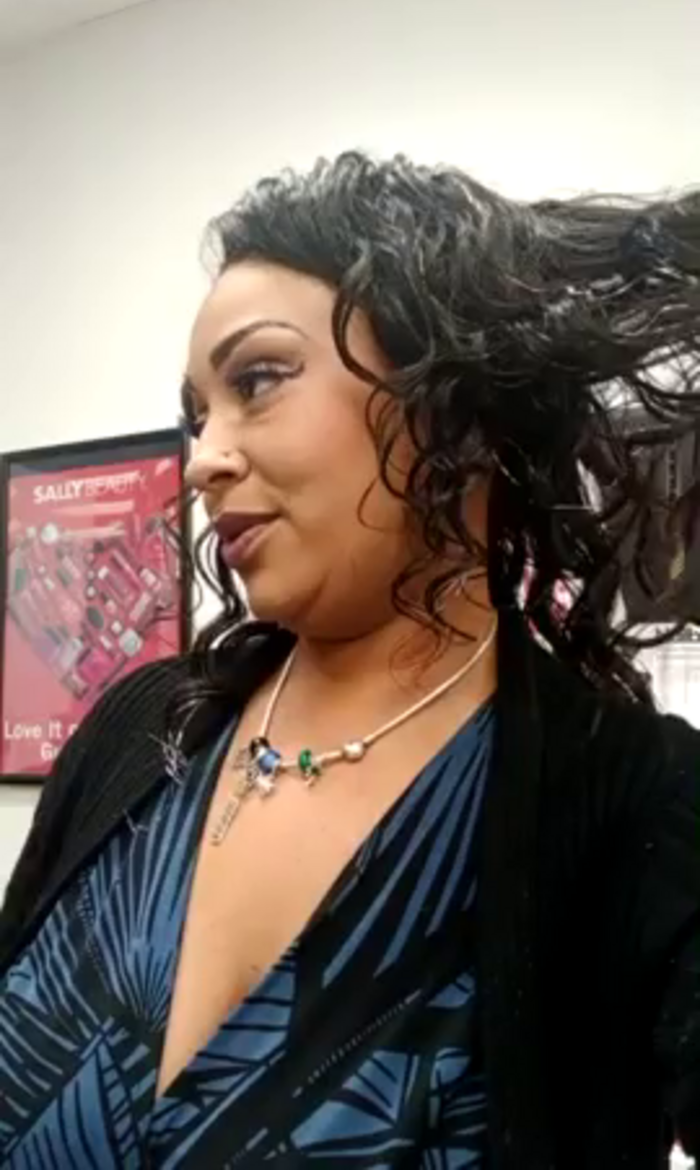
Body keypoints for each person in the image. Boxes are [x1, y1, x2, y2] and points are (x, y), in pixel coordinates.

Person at [1, 152, 699, 1169]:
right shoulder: (140, 729)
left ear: (451, 403)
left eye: (258, 380)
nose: (203, 459)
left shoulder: (632, 801)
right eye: (199, 413)